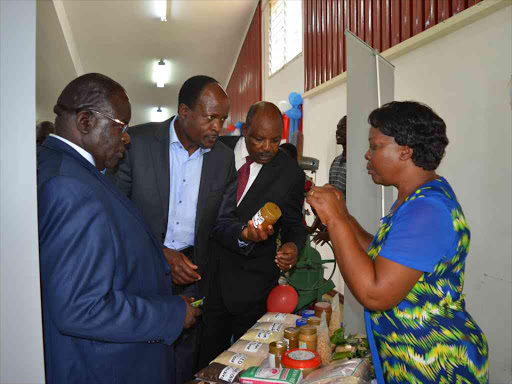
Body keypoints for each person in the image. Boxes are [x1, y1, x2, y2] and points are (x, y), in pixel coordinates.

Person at [307, 101, 489, 383]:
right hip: (410, 358)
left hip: (436, 363)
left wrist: (336, 221)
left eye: (375, 146)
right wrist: (344, 216)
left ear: (405, 150)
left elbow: (376, 293)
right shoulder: (415, 199)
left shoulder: (426, 209)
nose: (367, 155)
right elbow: (382, 257)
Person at [37, 73, 200, 384]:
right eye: (121, 127)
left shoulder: (67, 170)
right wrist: (171, 314)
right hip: (107, 366)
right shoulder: (70, 187)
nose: (127, 138)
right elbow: (81, 307)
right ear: (85, 121)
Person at [112, 75, 270, 383]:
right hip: (140, 269)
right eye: (210, 117)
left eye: (223, 118)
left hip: (192, 275)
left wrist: (244, 234)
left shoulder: (222, 159)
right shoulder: (138, 143)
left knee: (184, 358)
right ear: (184, 112)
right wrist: (161, 255)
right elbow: (116, 213)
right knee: (141, 353)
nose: (218, 127)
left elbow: (222, 222)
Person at [199, 101, 306, 367]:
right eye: (259, 139)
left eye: (274, 140)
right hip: (203, 276)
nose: (267, 147)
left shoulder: (290, 172)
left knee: (246, 362)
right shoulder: (212, 149)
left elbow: (295, 223)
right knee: (203, 361)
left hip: (252, 284)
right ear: (245, 130)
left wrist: (293, 246)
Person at [311, 115, 346, 245]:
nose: (338, 132)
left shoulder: (356, 165)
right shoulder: (336, 162)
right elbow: (330, 200)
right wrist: (314, 227)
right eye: (338, 128)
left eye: (342, 128)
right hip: (335, 227)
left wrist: (332, 231)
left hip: (349, 229)